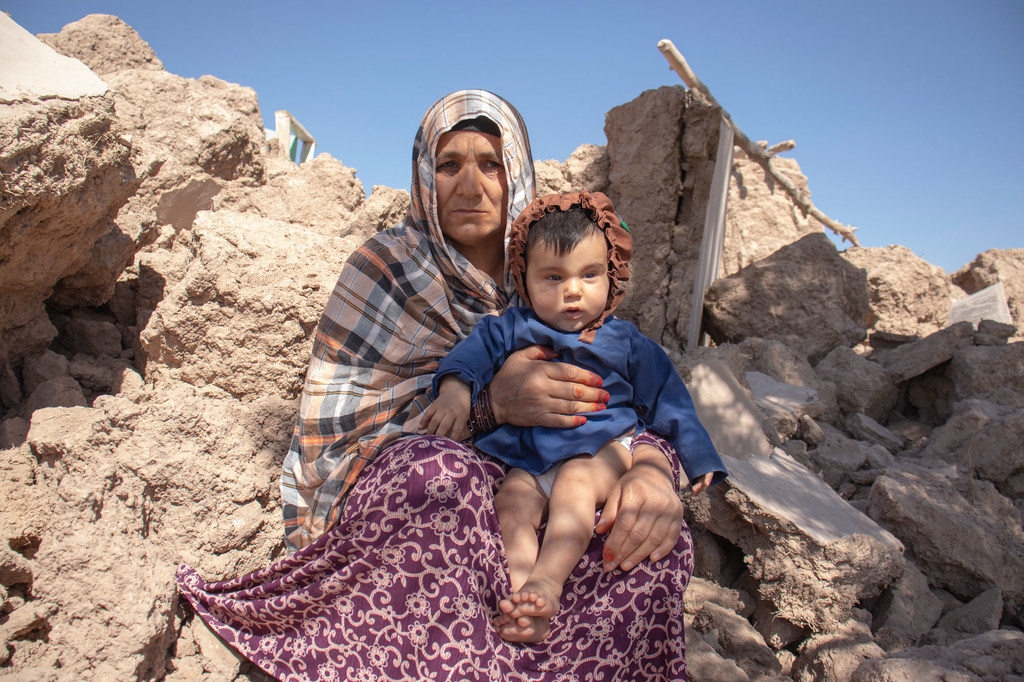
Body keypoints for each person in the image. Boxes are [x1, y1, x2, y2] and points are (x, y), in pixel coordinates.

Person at [176, 90, 710, 680]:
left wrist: (654, 469)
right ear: (425, 177)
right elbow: (340, 434)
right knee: (437, 482)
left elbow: (643, 398)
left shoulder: (574, 283)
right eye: (449, 164)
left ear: (518, 177)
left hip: (581, 470)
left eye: (490, 164)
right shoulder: (386, 270)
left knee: (649, 540)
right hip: (466, 480)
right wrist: (490, 404)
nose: (470, 185)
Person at [418, 191, 726, 643]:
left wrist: (700, 457)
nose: (573, 290)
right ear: (525, 278)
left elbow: (669, 399)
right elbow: (468, 359)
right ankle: (524, 600)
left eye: (589, 274)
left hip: (602, 449)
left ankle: (548, 580)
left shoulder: (625, 341)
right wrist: (455, 396)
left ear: (612, 274)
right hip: (531, 455)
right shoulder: (511, 326)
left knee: (574, 488)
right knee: (513, 504)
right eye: (553, 277)